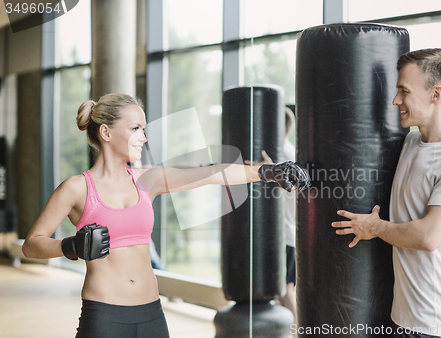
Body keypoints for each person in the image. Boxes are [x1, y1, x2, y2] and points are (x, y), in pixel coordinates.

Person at [21, 93, 310, 338]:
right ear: (106, 133)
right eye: (135, 129)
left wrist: (264, 172)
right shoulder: (77, 188)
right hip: (104, 316)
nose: (143, 138)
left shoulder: (147, 179)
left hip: (151, 315)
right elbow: (31, 244)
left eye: (144, 130)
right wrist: (70, 246)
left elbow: (211, 174)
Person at [332, 48, 441, 338]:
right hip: (403, 315)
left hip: (437, 322)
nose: (395, 101)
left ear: (436, 94)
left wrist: (374, 227)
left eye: (404, 91)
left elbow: (429, 237)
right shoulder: (412, 141)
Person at [246, 106, 298, 321]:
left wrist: (266, 168)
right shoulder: (288, 151)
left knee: (286, 291)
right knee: (283, 291)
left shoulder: (284, 154)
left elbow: (289, 179)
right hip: (286, 233)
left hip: (285, 234)